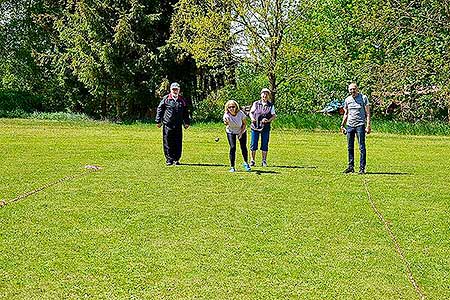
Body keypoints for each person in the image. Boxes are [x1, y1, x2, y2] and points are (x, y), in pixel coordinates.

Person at [155, 82, 190, 166]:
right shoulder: (166, 98)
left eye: (176, 89)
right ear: (170, 90)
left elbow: (185, 111)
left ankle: (176, 159)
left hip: (178, 124)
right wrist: (158, 121)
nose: (175, 91)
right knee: (167, 142)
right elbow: (160, 109)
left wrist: (186, 122)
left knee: (178, 142)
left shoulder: (182, 100)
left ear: (179, 90)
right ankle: (169, 159)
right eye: (173, 89)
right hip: (168, 124)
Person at [340, 82, 371, 174]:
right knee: (350, 147)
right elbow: (346, 113)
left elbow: (368, 113)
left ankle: (362, 168)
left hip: (360, 125)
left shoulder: (363, 98)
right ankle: (350, 166)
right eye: (351, 89)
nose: (352, 91)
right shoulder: (347, 100)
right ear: (348, 90)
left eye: (354, 89)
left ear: (357, 89)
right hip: (350, 126)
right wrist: (342, 125)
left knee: (362, 147)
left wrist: (368, 125)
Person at [249, 88, 277, 167]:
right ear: (261, 95)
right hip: (255, 126)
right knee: (253, 144)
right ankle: (252, 160)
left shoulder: (271, 105)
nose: (264, 95)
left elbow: (274, 115)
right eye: (263, 93)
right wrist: (252, 118)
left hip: (265, 127)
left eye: (266, 94)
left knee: (264, 144)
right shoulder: (256, 103)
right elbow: (251, 113)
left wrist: (268, 120)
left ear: (268, 96)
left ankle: (264, 161)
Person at [223, 100, 251, 172]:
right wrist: (226, 122)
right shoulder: (226, 115)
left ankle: (246, 163)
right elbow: (226, 123)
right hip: (231, 131)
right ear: (227, 108)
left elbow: (244, 124)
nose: (231, 108)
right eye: (229, 107)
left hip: (241, 130)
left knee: (243, 147)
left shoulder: (240, 113)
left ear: (236, 107)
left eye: (233, 107)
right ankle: (232, 167)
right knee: (232, 147)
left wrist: (241, 133)